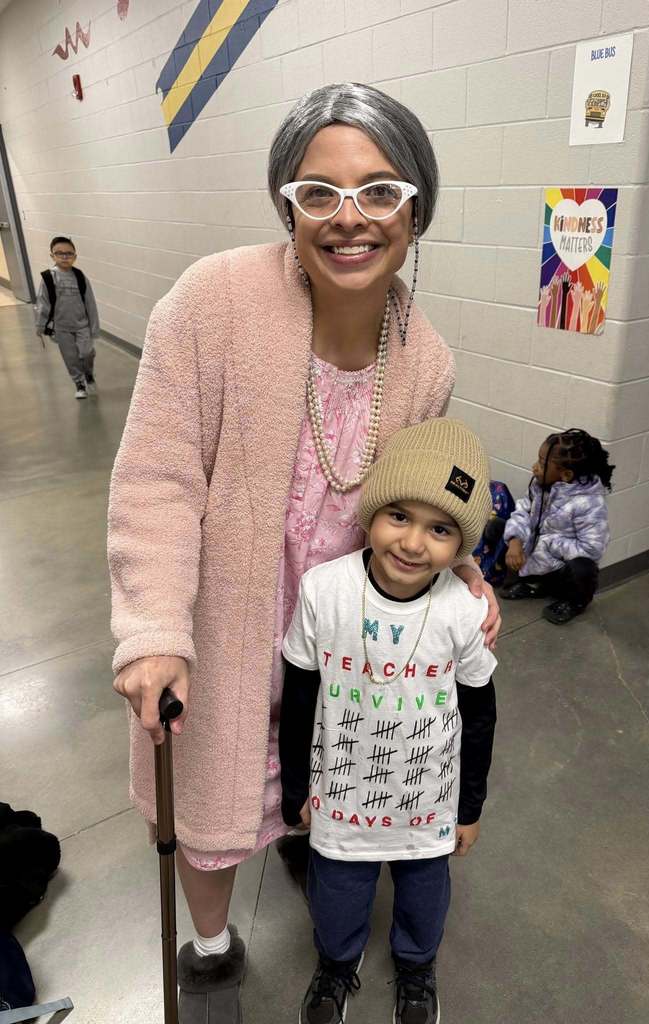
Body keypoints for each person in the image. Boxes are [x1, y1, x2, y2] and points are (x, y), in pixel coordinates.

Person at [107, 83, 501, 1023]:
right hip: (229, 620)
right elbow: (156, 478)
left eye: (379, 191)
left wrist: (467, 568)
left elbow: (426, 489)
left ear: (418, 209)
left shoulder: (427, 354)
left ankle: (307, 833)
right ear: (287, 205)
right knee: (206, 812)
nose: (349, 219)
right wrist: (156, 629)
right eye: (317, 193)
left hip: (350, 629)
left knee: (322, 769)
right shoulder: (212, 302)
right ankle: (210, 945)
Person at [279, 418, 497, 1024]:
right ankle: (336, 965)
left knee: (425, 899)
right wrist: (297, 786)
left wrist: (470, 807)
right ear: (371, 514)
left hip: (428, 801)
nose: (412, 542)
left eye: (440, 529)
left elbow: (479, 714)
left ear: (460, 545)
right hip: (341, 797)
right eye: (398, 515)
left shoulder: (464, 610)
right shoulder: (326, 590)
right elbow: (299, 695)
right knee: (338, 898)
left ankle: (417, 969)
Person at [500, 428, 613, 624]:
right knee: (498, 526)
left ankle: (574, 602)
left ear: (566, 475)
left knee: (583, 568)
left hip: (560, 566)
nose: (534, 467)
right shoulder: (540, 485)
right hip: (538, 557)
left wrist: (547, 542)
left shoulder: (589, 503)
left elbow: (592, 548)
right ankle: (536, 585)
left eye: (542, 464)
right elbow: (522, 511)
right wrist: (515, 541)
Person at [34, 236, 100, 399]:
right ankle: (79, 383)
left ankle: (88, 373)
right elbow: (43, 303)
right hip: (61, 327)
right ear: (52, 256)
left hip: (82, 325)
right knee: (70, 357)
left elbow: (90, 303)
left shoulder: (80, 277)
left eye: (69, 254)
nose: (64, 257)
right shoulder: (48, 278)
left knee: (87, 353)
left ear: (75, 256)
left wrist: (94, 327)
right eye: (60, 253)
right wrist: (40, 325)